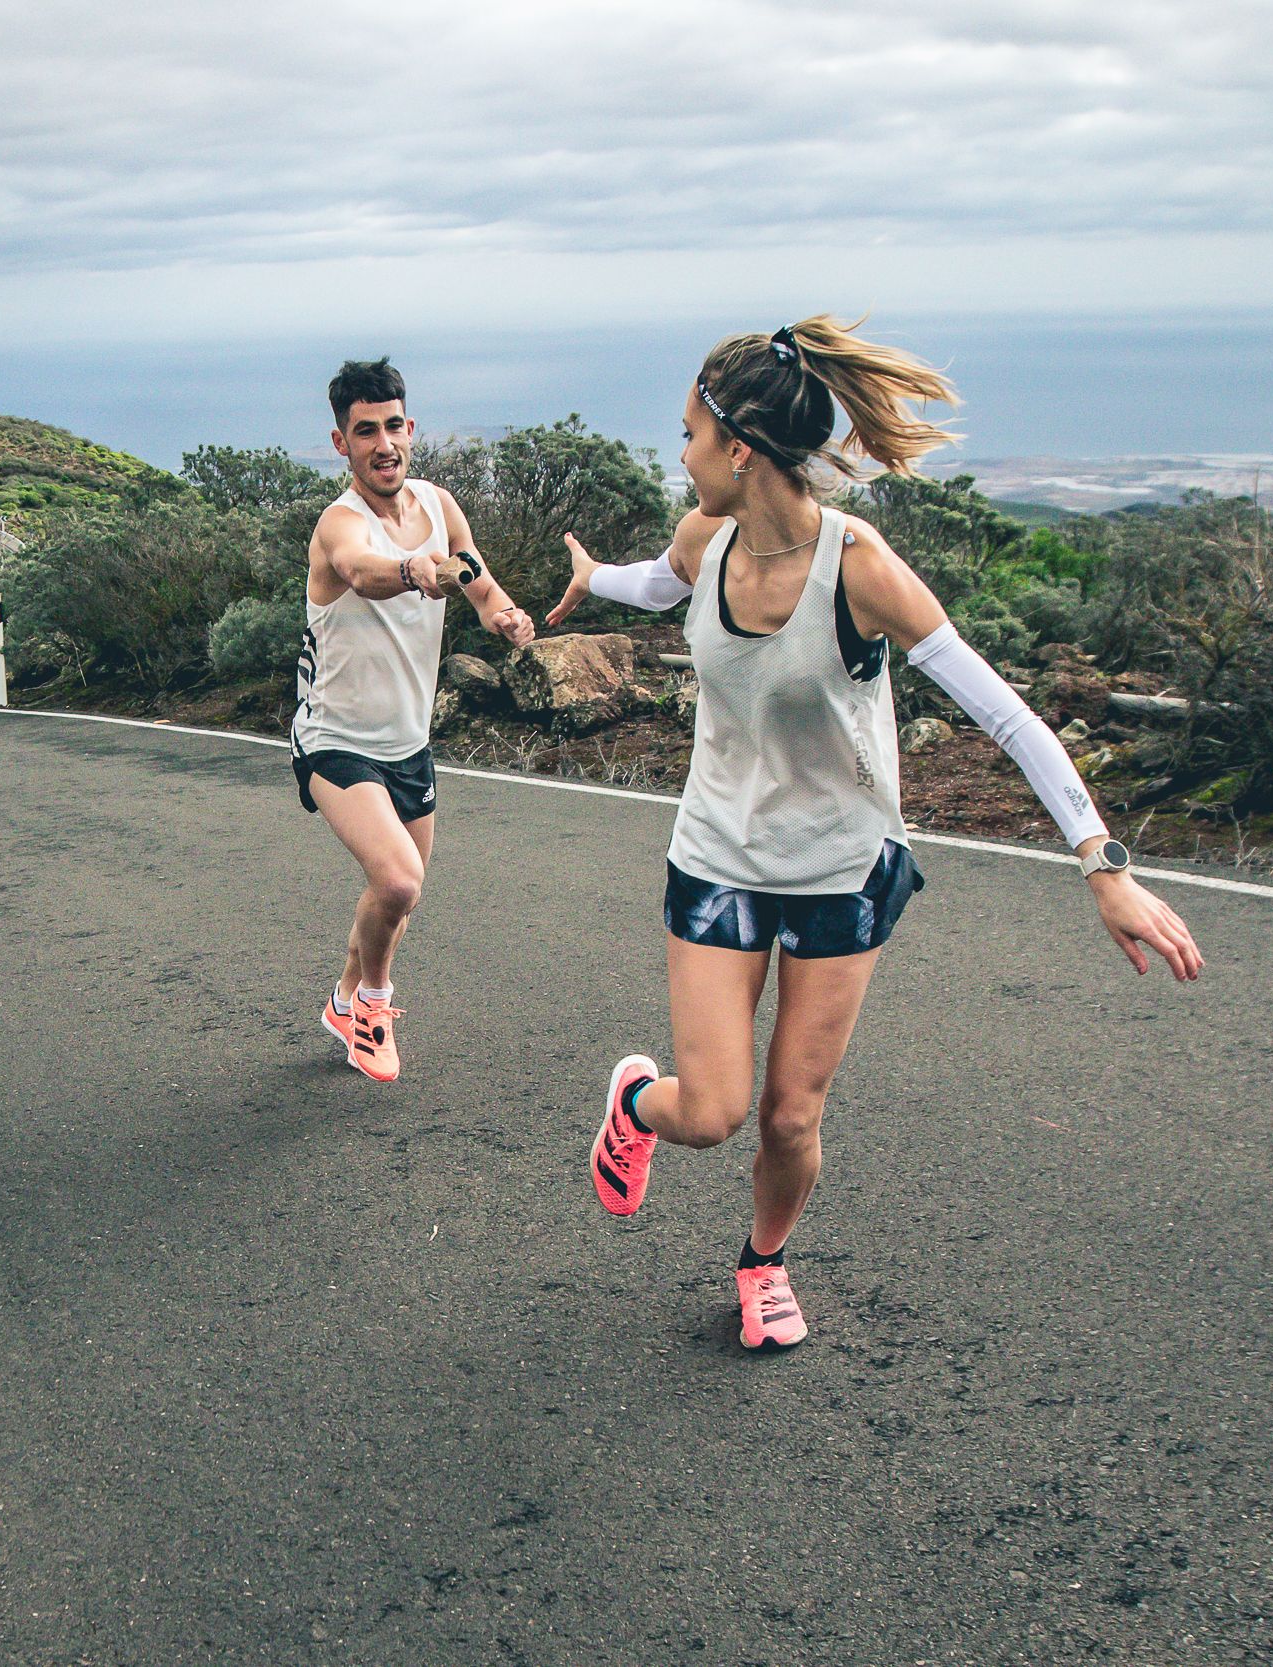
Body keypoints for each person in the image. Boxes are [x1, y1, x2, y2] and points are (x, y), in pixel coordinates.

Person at [547, 318, 1204, 1351]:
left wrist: (1101, 863)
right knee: (712, 1109)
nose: (679, 455)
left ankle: (762, 1260)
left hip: (841, 869)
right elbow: (653, 583)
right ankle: (635, 1102)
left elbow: (1007, 714)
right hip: (717, 855)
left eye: (686, 434)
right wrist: (594, 578)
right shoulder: (698, 539)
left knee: (788, 1118)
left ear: (738, 449)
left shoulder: (858, 568)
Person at [296, 358, 537, 1080]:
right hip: (334, 739)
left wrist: (501, 612)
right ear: (342, 444)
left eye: (393, 426)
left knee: (393, 900)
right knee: (399, 880)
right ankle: (372, 1007)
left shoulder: (439, 504)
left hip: (409, 742)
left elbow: (475, 575)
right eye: (364, 431)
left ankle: (342, 998)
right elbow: (365, 571)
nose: (383, 443)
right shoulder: (341, 523)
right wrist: (414, 570)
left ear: (411, 429)